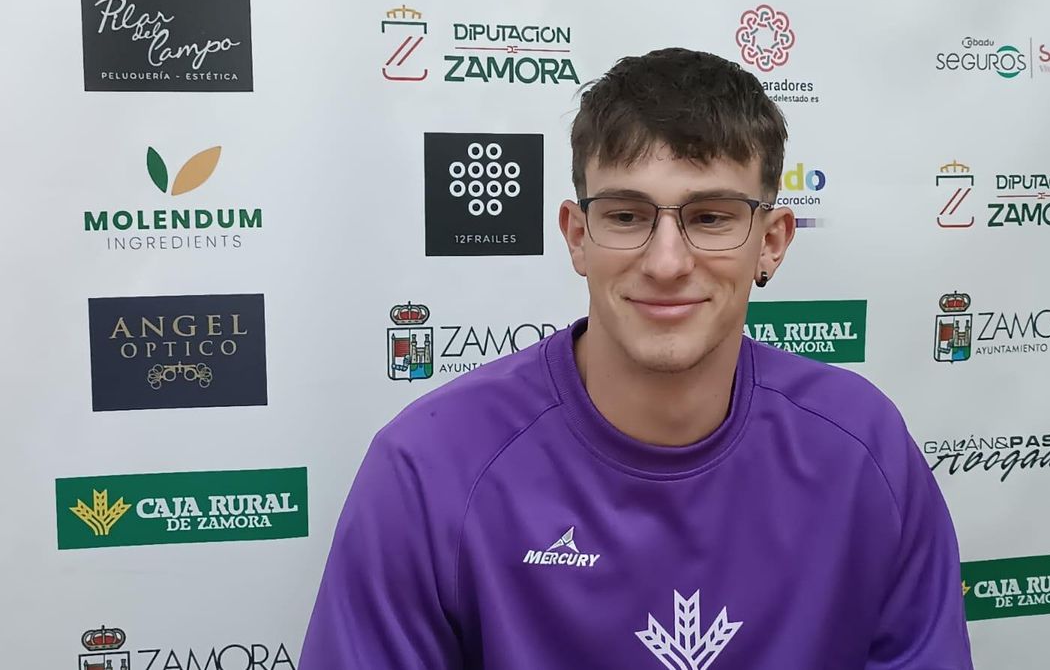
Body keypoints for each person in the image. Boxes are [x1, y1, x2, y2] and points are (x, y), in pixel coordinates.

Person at [299, 47, 973, 669]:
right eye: (626, 215)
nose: (667, 262)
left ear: (771, 241)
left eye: (711, 217)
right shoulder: (428, 468)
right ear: (577, 236)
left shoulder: (864, 450)